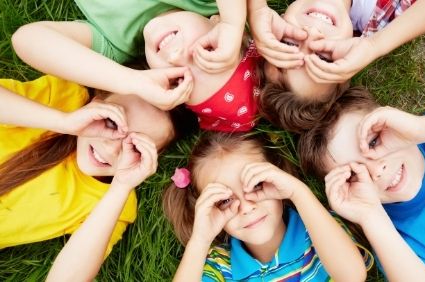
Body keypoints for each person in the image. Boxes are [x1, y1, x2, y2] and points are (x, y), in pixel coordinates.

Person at [0, 74, 195, 280]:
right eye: (112, 123)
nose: (111, 148)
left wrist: (120, 187)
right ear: (96, 102)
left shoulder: (113, 202)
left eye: (135, 146)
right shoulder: (63, 98)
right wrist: (63, 121)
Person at [298, 87, 425, 281]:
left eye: (374, 142)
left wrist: (422, 129)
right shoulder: (393, 237)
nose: (377, 171)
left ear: (390, 121)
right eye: (354, 174)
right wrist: (370, 216)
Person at [12, 0, 262, 132]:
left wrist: (132, 81)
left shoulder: (116, 44)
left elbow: (27, 39)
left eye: (176, 79)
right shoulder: (205, 3)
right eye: (207, 51)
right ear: (215, 21)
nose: (175, 57)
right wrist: (232, 22)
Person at [163, 132, 372, 281]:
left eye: (256, 184)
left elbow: (353, 276)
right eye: (225, 200)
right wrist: (200, 240)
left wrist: (298, 192)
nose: (246, 207)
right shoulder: (221, 267)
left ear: (279, 178)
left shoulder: (319, 228)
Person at [249, 0, 425, 133]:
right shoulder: (389, 14)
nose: (311, 35)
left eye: (288, 43)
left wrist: (255, 8)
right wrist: (374, 45)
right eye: (323, 57)